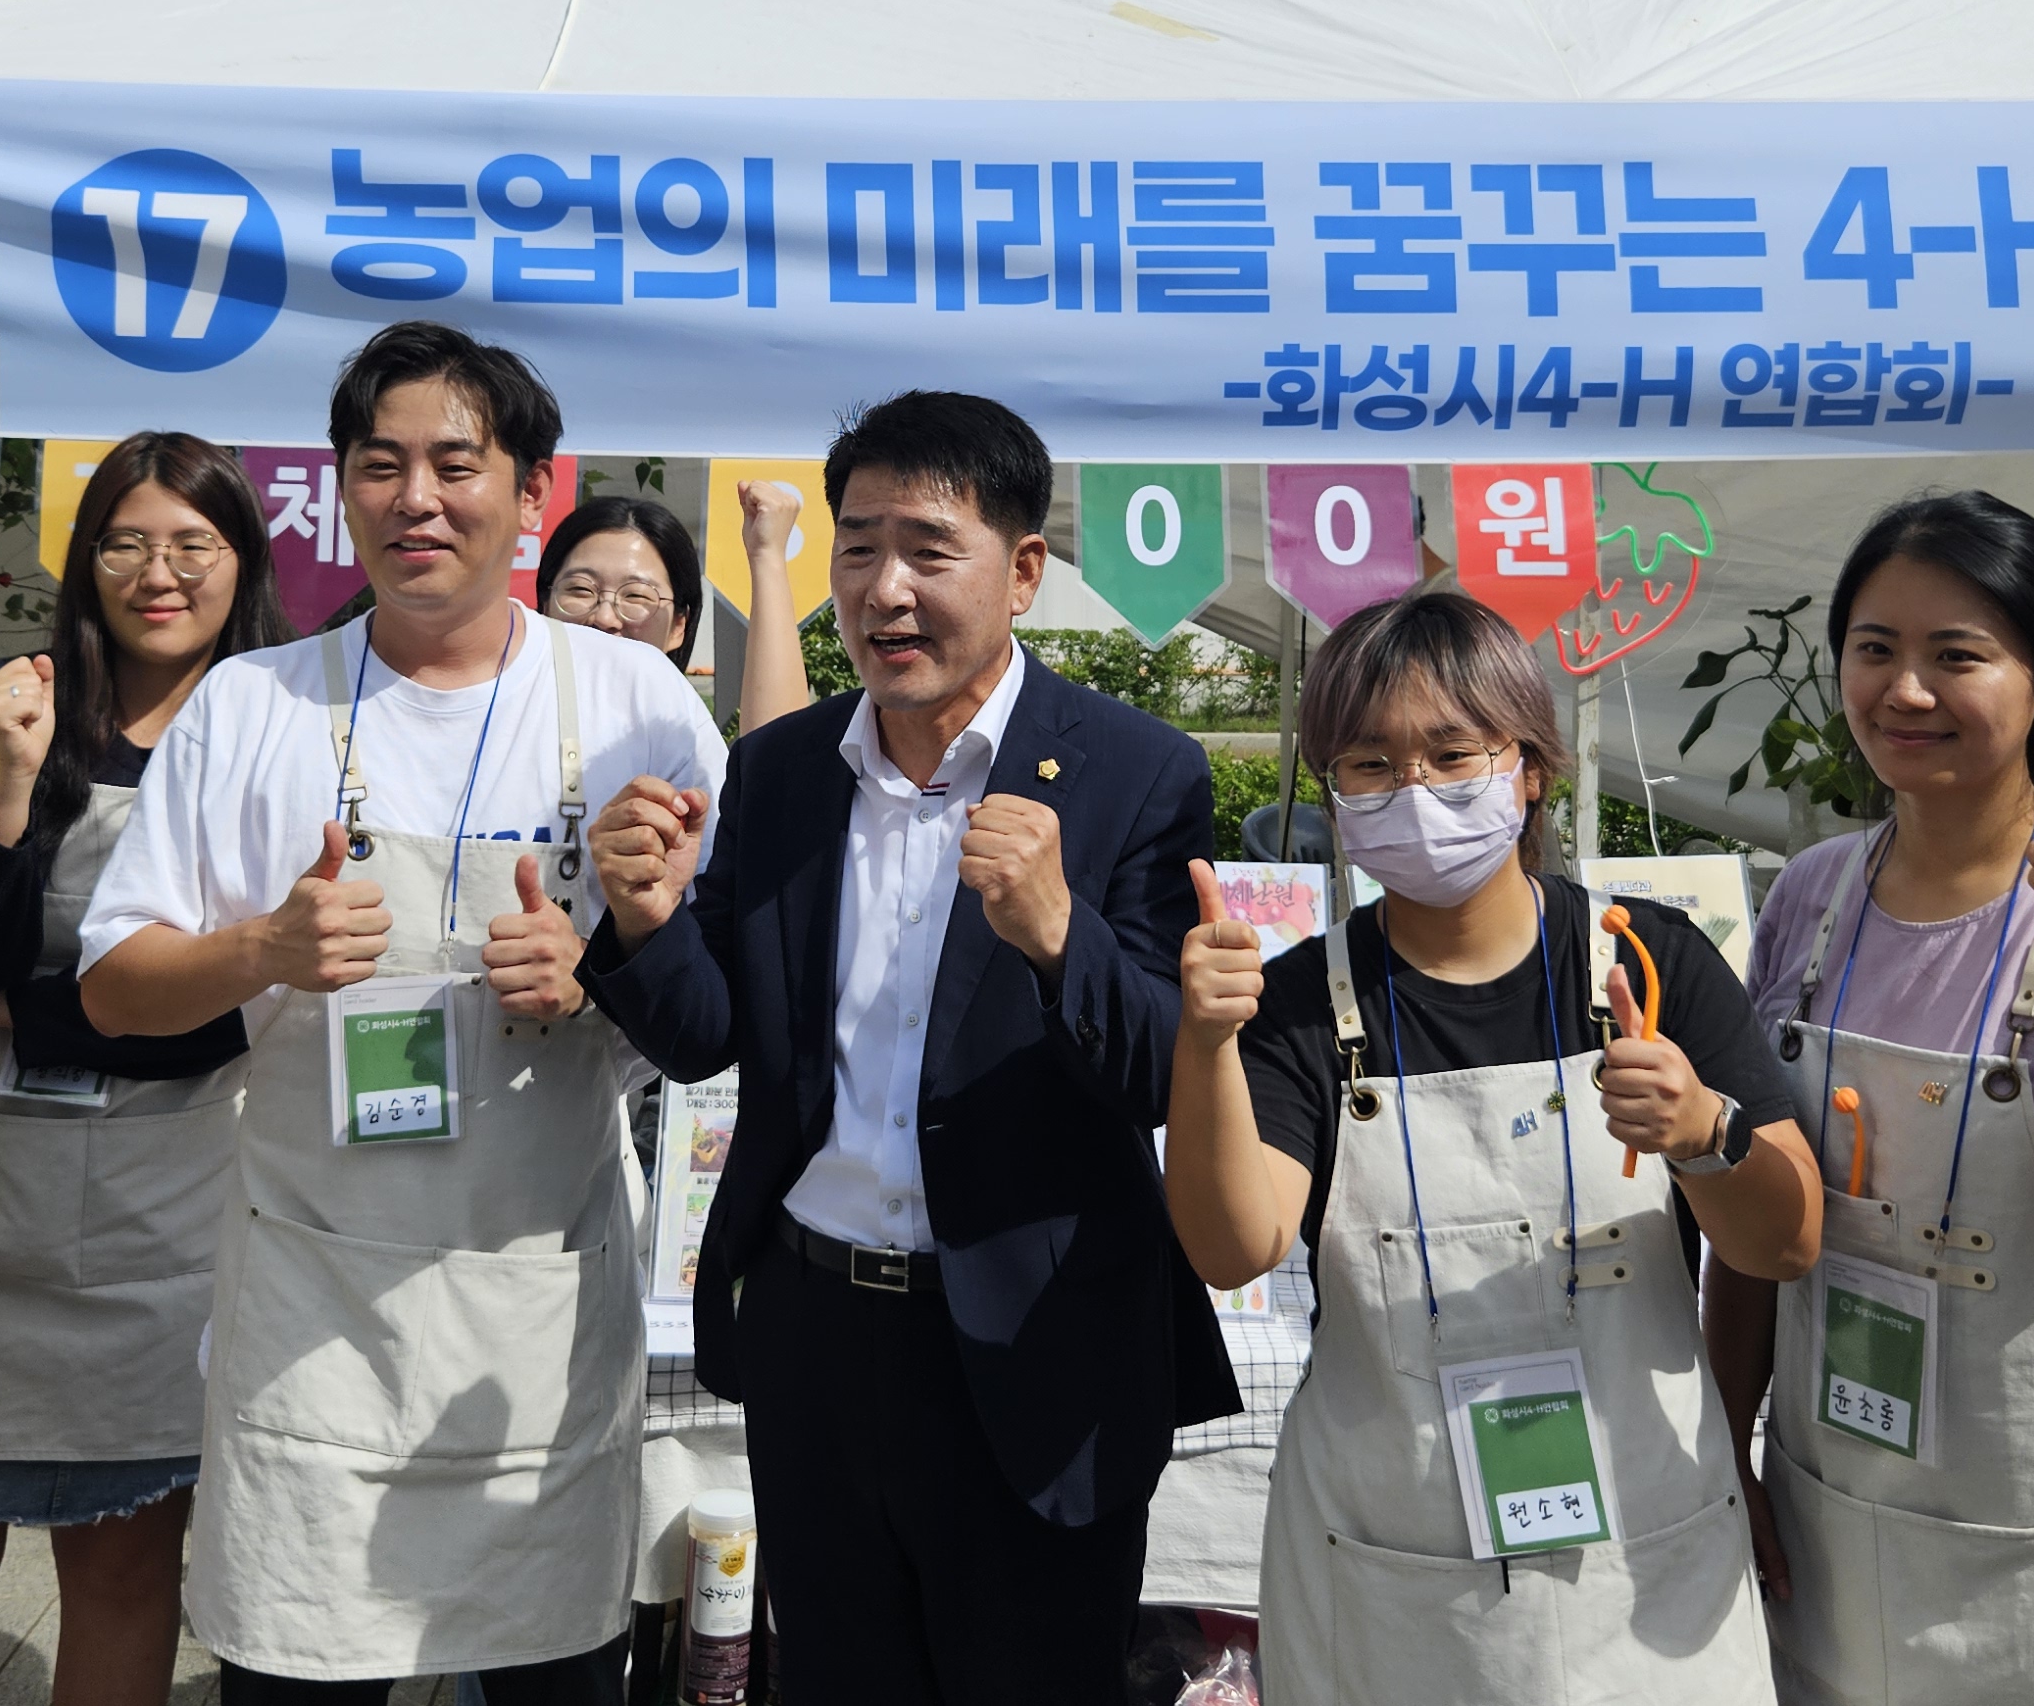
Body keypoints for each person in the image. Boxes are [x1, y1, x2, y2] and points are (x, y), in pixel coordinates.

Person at [72, 323, 728, 1705]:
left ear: (533, 493)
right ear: (339, 490)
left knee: (553, 1677)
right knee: (297, 1672)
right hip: (317, 1315)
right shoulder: (253, 703)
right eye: (380, 465)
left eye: (455, 463)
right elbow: (114, 985)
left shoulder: (632, 701)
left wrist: (602, 966)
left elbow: (713, 996)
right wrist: (259, 947)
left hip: (536, 1321)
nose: (415, 498)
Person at [580, 391, 1234, 1706]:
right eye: (859, 546)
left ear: (1024, 571)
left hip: (1037, 1350)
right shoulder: (779, 776)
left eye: (929, 550)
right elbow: (713, 1040)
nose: (885, 590)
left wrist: (1059, 934)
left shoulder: (1133, 774)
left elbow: (1175, 1062)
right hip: (819, 1337)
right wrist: (645, 924)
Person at [1164, 589, 1817, 1703]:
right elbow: (1234, 1245)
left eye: (1450, 753)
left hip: (1643, 1560)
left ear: (1528, 767)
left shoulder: (1644, 964)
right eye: (1367, 765)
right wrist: (1206, 1045)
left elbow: (1789, 1236)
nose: (1411, 791)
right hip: (1392, 1560)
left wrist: (1706, 1131)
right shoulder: (1298, 1001)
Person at [1701, 490, 2034, 1706]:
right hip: (1835, 1508)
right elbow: (1752, 1207)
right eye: (1874, 648)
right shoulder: (1810, 897)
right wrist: (1723, 1441)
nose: (1906, 691)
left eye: (1959, 654)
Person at [0, 432, 283, 1706]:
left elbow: (249, 1000)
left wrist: (34, 1014)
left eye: (191, 544)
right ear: (84, 557)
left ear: (241, 559)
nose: (157, 572)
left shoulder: (277, 726)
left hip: (167, 1216)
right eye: (125, 540)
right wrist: (2, 786)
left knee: (122, 1573)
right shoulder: (10, 699)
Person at [539, 480, 815, 732]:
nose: (604, 617)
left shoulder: (687, 745)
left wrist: (767, 555)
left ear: (679, 625)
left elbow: (775, 761)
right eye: (580, 589)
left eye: (636, 595)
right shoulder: (505, 717)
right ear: (544, 605)